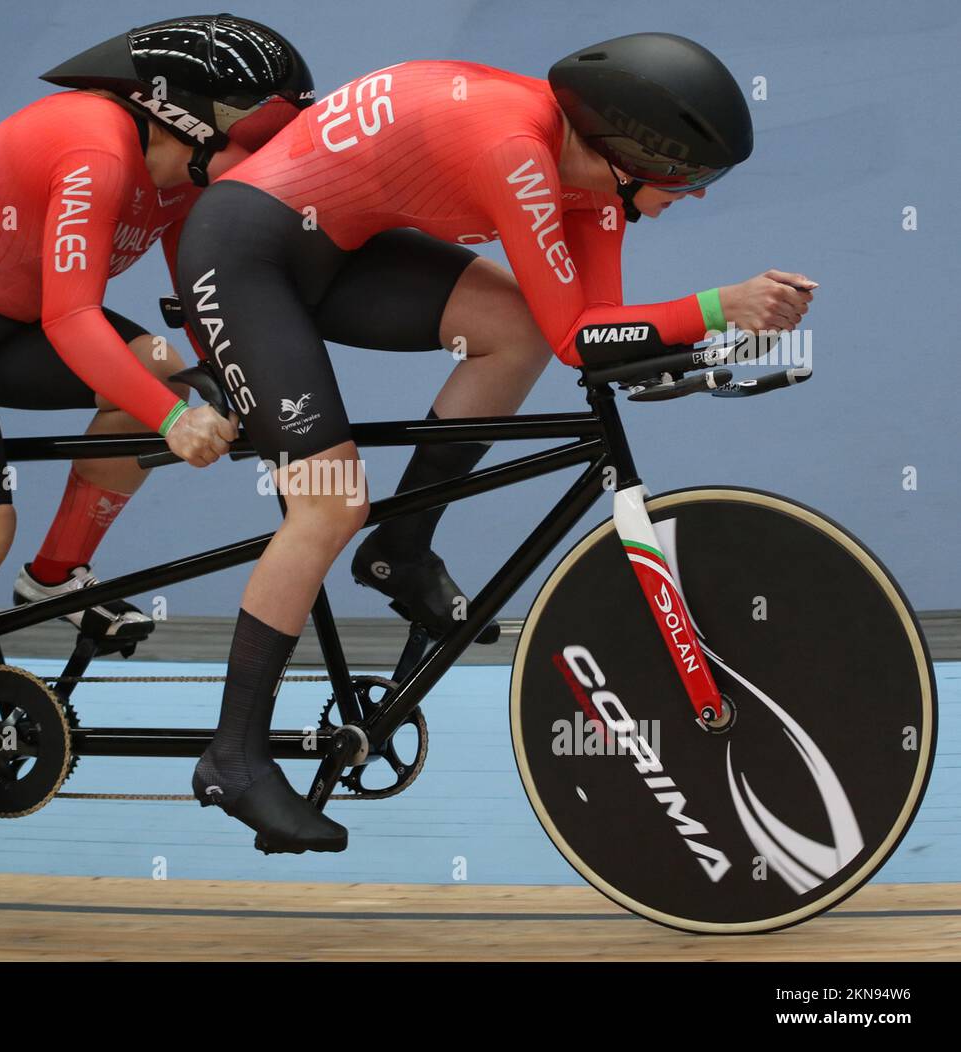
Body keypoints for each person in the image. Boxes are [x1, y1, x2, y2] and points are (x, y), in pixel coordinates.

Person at [175, 32, 816, 853]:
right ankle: (233, 755)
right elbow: (585, 340)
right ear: (627, 151)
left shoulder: (594, 188)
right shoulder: (515, 148)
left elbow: (593, 336)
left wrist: (711, 347)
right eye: (688, 178)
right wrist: (721, 306)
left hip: (339, 248)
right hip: (244, 250)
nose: (693, 197)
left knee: (513, 325)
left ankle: (400, 550)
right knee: (330, 504)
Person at [0, 15, 314, 845]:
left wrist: (237, 389)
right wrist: (172, 419)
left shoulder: (182, 179)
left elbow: (196, 308)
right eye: (261, 129)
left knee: (172, 368)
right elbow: (73, 318)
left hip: (0, 320)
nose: (271, 152)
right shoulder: (96, 145)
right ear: (191, 114)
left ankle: (54, 577)